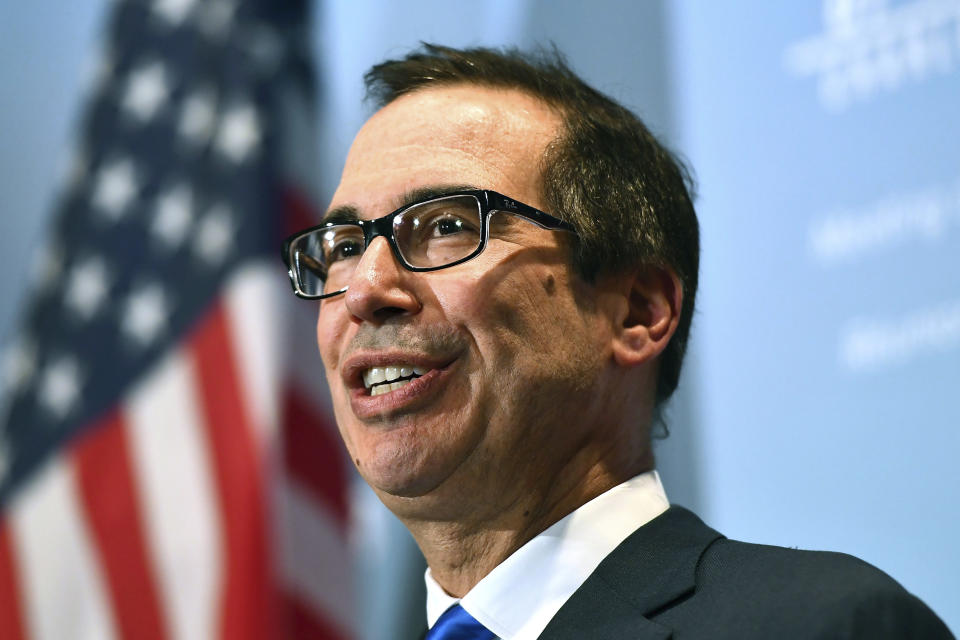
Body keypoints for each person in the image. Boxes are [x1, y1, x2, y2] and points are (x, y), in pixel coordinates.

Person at [282, 44, 953, 639]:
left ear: (638, 312)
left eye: (451, 224)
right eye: (343, 246)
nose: (366, 289)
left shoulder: (823, 626)